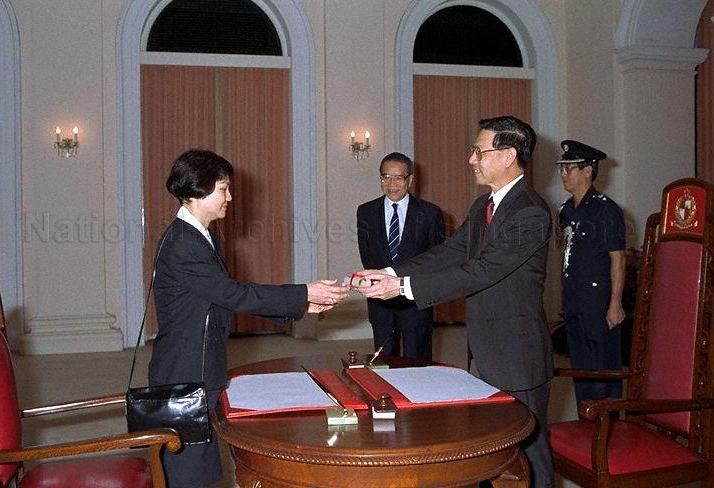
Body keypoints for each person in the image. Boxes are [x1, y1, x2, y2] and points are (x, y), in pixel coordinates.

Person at [356, 116, 554, 488]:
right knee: (486, 449)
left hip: (518, 356)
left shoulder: (530, 211)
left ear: (509, 155)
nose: (472, 159)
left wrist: (401, 289)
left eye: (480, 150)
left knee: (529, 458)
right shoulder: (484, 206)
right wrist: (389, 272)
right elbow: (450, 253)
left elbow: (479, 271)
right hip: (483, 349)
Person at [148, 149, 349, 488]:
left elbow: (225, 295)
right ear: (199, 190)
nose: (231, 197)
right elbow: (234, 294)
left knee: (203, 466)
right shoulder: (184, 243)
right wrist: (303, 294)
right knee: (187, 472)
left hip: (197, 366)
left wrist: (299, 307)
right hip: (184, 372)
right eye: (223, 188)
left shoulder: (201, 235)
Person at [356, 152, 445, 360]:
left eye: (398, 178)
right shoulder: (366, 212)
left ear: (410, 179)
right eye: (386, 177)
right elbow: (367, 256)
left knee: (418, 360)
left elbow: (436, 259)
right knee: (384, 359)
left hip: (415, 301)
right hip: (381, 303)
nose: (391, 184)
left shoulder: (430, 213)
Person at [557, 140, 625, 405]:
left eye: (570, 169)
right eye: (562, 169)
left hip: (598, 303)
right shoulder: (565, 210)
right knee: (581, 369)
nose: (563, 174)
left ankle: (609, 431)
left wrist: (615, 304)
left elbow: (617, 261)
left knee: (603, 370)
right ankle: (585, 428)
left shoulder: (606, 210)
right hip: (574, 301)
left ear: (588, 171)